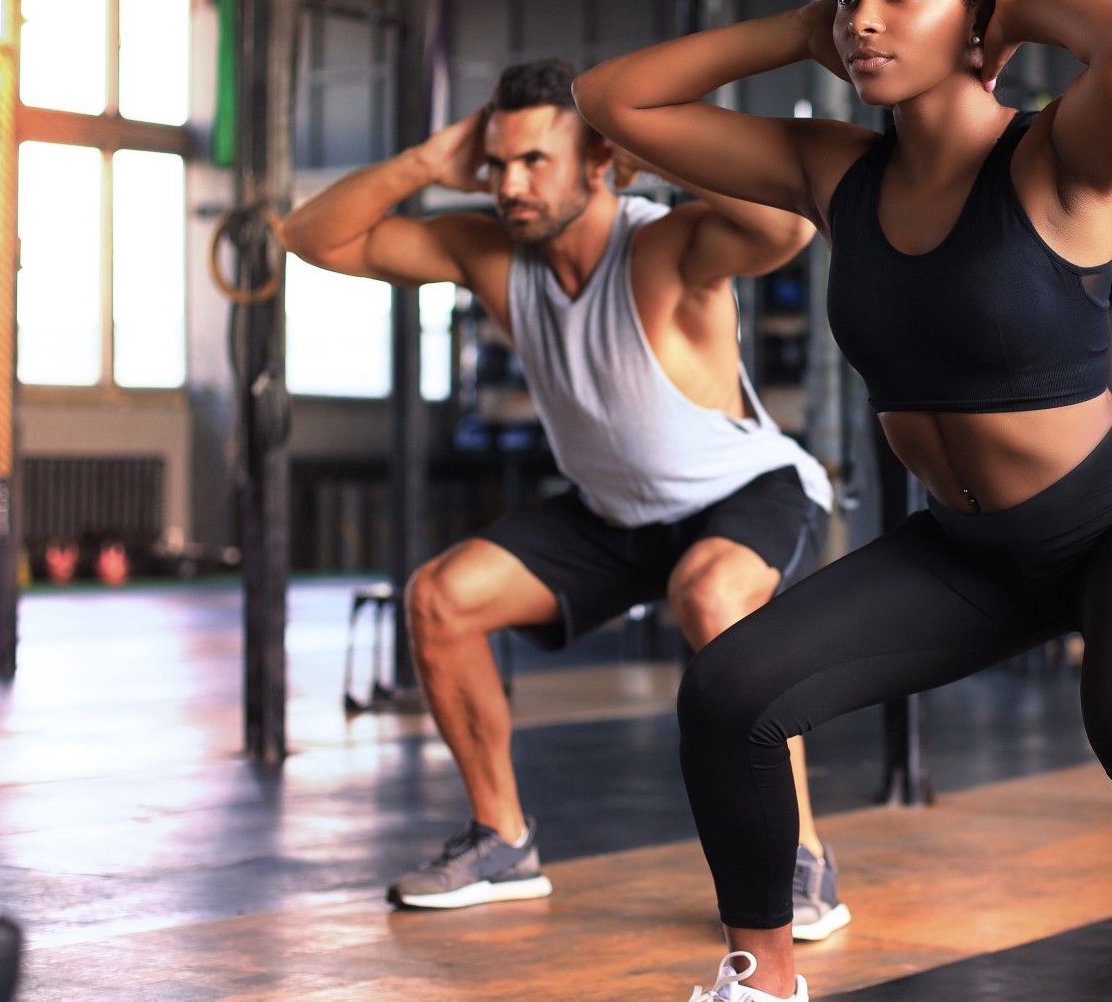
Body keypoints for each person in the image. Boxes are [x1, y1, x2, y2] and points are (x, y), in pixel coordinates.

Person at [574, 0, 1112, 998]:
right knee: (730, 693)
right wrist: (802, 31)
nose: (864, 18)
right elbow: (611, 100)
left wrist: (1017, 10)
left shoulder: (1055, 157)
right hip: (970, 552)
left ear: (975, 10)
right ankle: (763, 982)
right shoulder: (834, 172)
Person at [279, 58, 852, 942]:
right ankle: (502, 841)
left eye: (534, 161)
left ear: (597, 162)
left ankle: (800, 857)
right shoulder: (490, 255)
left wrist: (658, 149)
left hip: (744, 493)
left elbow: (785, 229)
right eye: (498, 163)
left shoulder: (661, 247)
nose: (509, 184)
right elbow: (310, 237)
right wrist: (427, 163)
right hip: (613, 511)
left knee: (710, 593)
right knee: (440, 599)